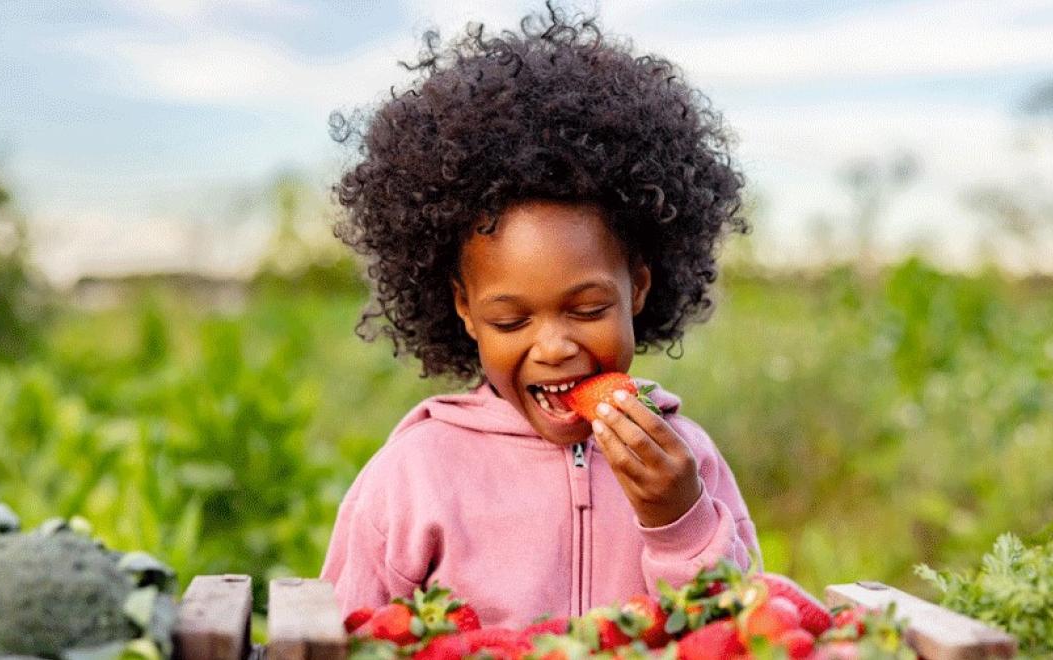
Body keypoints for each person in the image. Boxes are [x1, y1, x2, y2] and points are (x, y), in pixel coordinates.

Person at [320, 5, 758, 629]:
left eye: (587, 309)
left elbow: (746, 633)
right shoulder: (413, 478)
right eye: (510, 321)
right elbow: (337, 635)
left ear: (637, 287)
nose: (553, 346)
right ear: (464, 310)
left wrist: (679, 522)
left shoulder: (688, 461)